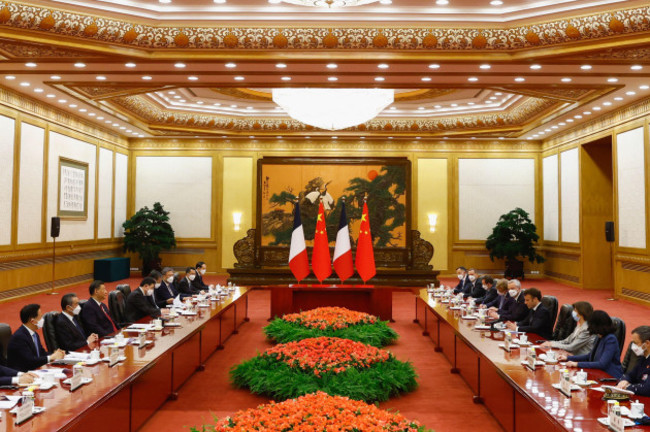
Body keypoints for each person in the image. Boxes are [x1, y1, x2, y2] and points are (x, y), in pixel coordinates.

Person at [559, 310, 623, 378]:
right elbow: (589, 356)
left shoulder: (610, 339)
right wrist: (568, 358)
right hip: (597, 373)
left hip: (609, 376)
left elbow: (602, 364)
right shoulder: (599, 336)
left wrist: (577, 364)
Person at [7, 304, 65, 372]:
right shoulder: (19, 337)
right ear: (33, 321)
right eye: (40, 317)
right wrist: (51, 357)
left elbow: (41, 353)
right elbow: (30, 361)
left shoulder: (34, 334)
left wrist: (55, 354)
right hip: (23, 374)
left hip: (35, 370)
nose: (42, 320)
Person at [617, 325, 650, 396]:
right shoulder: (644, 358)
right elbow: (630, 374)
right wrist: (624, 381)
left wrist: (628, 387)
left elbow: (647, 388)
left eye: (636, 343)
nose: (633, 346)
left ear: (647, 343)